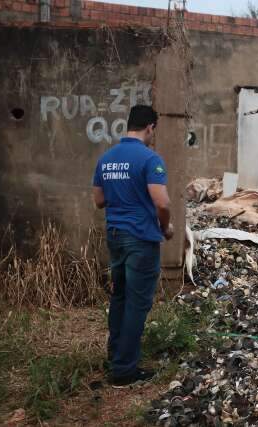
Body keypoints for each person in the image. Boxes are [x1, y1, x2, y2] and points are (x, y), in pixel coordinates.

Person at [92, 105, 173, 388]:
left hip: (115, 235)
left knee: (120, 297)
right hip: (140, 238)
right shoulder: (150, 159)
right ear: (150, 127)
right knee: (137, 304)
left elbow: (99, 201)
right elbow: (162, 202)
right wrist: (166, 227)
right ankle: (124, 371)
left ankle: (116, 355)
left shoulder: (106, 159)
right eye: (154, 130)